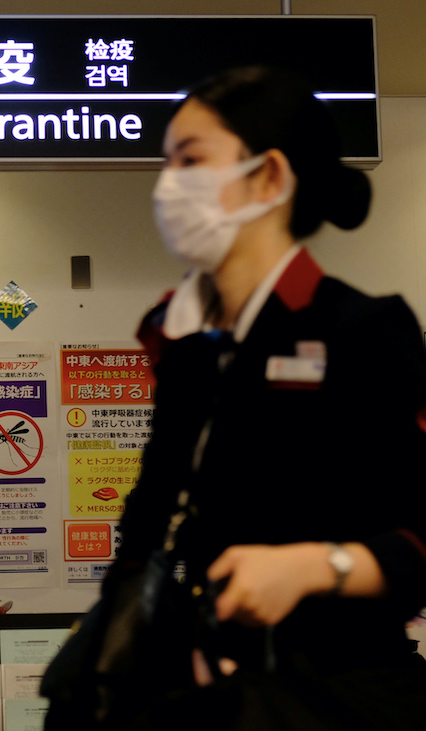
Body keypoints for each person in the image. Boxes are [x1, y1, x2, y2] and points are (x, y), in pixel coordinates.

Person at [110, 66, 426, 728]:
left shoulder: (360, 330)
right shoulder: (179, 335)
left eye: (191, 160)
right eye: (166, 161)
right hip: (188, 692)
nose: (168, 184)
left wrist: (320, 566)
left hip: (329, 694)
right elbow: (151, 518)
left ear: (269, 177)